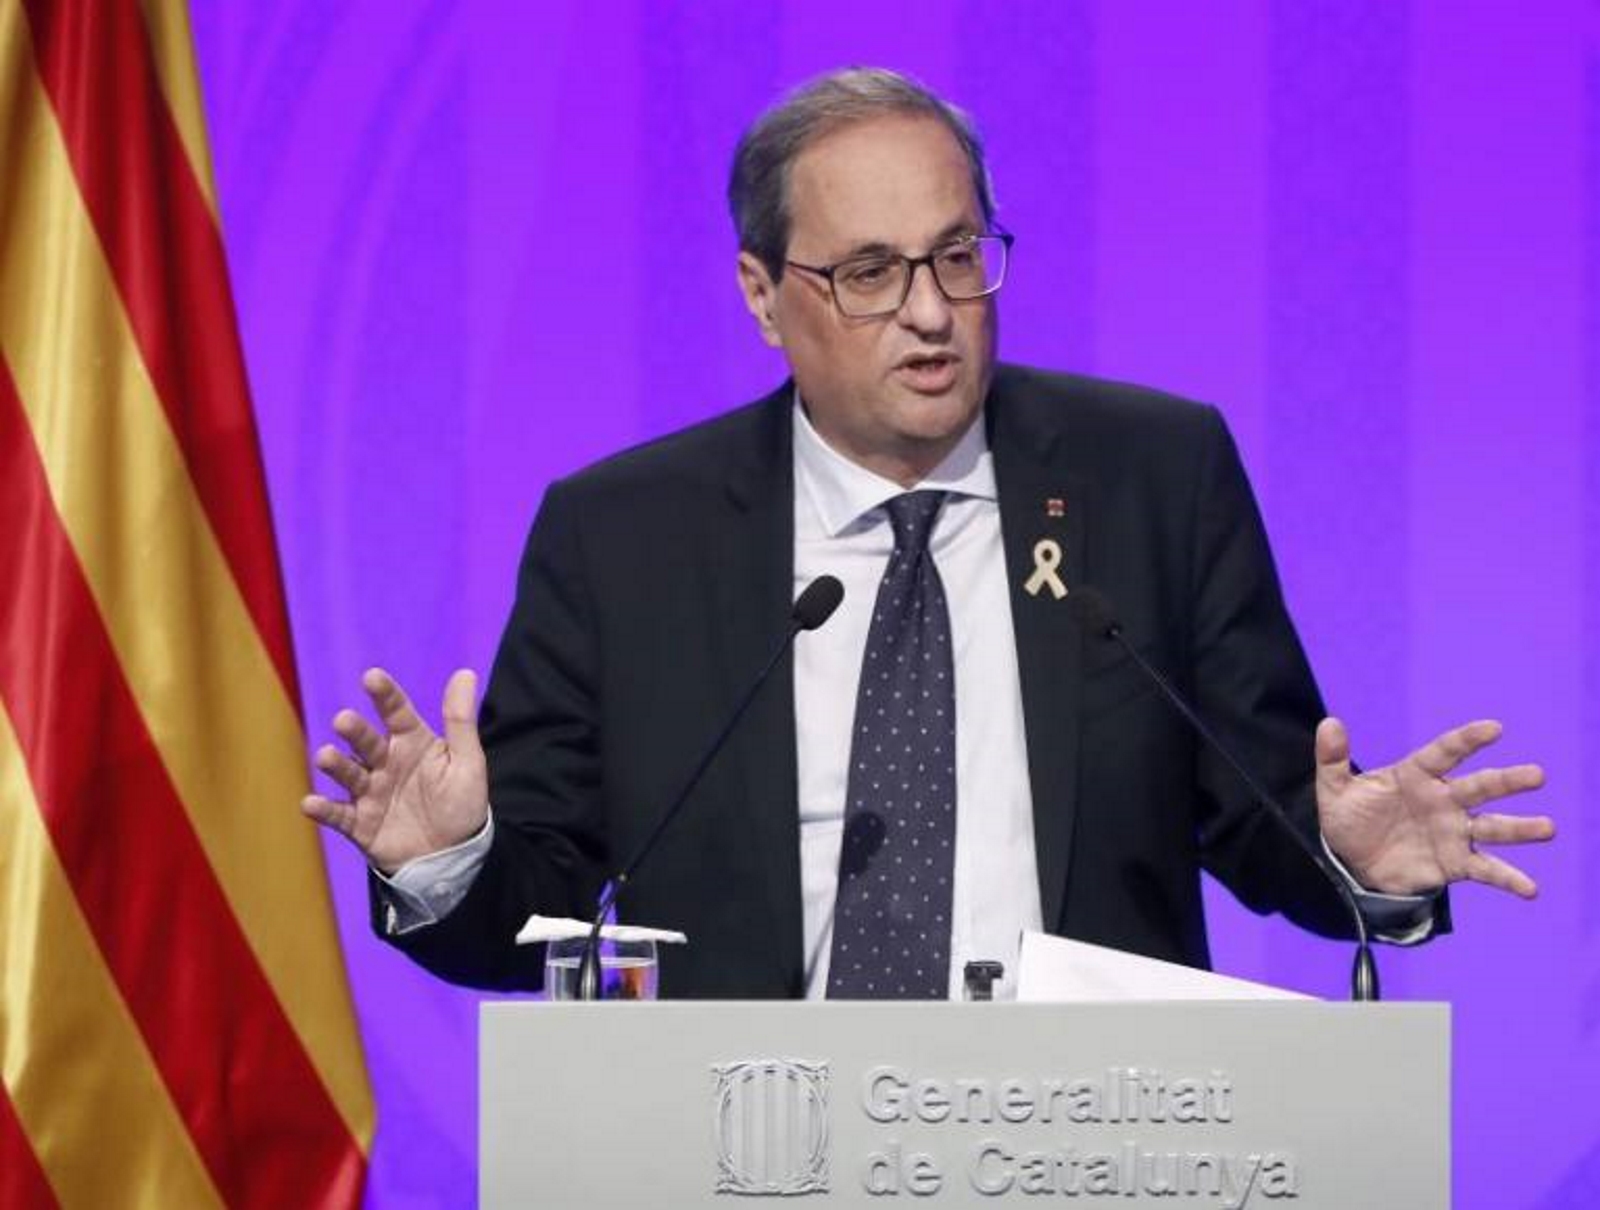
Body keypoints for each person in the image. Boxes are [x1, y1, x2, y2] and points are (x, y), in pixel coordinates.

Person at [303, 68, 1553, 1000]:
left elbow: (1266, 814)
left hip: (1095, 1142)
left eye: (958, 256)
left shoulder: (1150, 477)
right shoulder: (621, 536)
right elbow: (548, 905)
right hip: (737, 1150)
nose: (929, 314)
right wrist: (449, 862)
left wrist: (1358, 862)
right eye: (868, 272)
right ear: (761, 294)